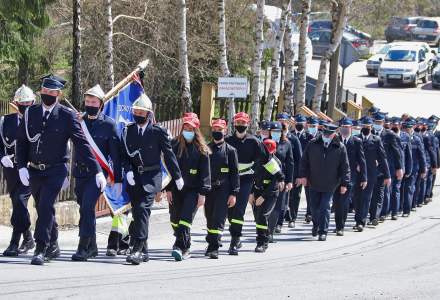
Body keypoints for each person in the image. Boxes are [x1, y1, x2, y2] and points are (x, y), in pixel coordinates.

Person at [16, 74, 105, 266]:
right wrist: (21, 166)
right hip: (34, 170)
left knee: (46, 205)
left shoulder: (67, 115)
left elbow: (81, 144)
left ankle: (41, 248)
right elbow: (22, 142)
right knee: (43, 207)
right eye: (45, 91)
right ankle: (54, 243)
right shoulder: (31, 113)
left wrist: (97, 169)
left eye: (51, 92)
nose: (47, 94)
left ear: (59, 94)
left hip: (56, 170)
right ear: (40, 92)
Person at [121, 94, 183, 265]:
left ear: (148, 114)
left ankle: (137, 248)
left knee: (141, 209)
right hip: (135, 177)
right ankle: (144, 250)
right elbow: (124, 155)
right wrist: (128, 171)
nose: (138, 114)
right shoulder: (129, 131)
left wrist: (177, 176)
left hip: (151, 177)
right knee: (139, 212)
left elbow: (169, 155)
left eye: (142, 111)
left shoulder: (158, 131)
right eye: (136, 111)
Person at [71, 84, 123, 261]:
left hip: (97, 176)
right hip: (79, 173)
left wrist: (115, 177)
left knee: (87, 207)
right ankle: (92, 246)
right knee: (85, 210)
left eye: (93, 101)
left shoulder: (109, 125)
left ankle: (83, 246)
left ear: (100, 104)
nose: (90, 104)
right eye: (87, 101)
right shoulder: (79, 121)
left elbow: (115, 154)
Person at [167, 114, 211, 261]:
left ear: (196, 129)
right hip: (176, 190)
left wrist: (203, 193)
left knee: (185, 219)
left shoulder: (202, 150)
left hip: (193, 190)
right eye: (185, 127)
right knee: (175, 219)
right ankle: (186, 243)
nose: (187, 130)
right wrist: (167, 189)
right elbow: (168, 169)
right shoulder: (173, 145)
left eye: (191, 128)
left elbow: (205, 174)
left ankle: (180, 247)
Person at [297, 124, 350, 241]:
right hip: (314, 182)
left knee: (325, 206)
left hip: (331, 184)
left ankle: (323, 231)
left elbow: (345, 167)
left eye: (329, 134)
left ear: (334, 134)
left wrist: (344, 183)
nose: (326, 135)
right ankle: (316, 224)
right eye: (325, 133)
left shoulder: (340, 147)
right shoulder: (312, 144)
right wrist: (303, 176)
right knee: (314, 207)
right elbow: (304, 161)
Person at [1, 85, 35, 257]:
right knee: (17, 203)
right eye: (22, 103)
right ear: (15, 103)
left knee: (20, 202)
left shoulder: (38, 121)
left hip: (29, 169)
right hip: (11, 170)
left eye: (29, 102)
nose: (26, 105)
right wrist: (2, 157)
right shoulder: (5, 121)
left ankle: (15, 241)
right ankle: (28, 238)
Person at [225, 112, 264, 255]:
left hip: (246, 179)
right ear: (234, 124)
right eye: (238, 123)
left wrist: (254, 173)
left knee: (239, 210)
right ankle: (235, 235)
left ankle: (234, 241)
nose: (240, 125)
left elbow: (262, 160)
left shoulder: (254, 141)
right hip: (229, 180)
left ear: (247, 124)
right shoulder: (227, 140)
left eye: (243, 123)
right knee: (229, 210)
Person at [204, 119, 239, 259]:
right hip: (208, 189)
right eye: (215, 130)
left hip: (223, 189)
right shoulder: (206, 148)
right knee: (209, 217)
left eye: (220, 130)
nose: (217, 132)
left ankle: (214, 247)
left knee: (218, 218)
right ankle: (211, 242)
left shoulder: (231, 151)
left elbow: (235, 173)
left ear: (225, 131)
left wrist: (234, 193)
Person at [353, 116, 390, 232]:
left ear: (371, 127)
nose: (365, 128)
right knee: (357, 198)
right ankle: (357, 219)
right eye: (364, 126)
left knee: (366, 197)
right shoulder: (355, 139)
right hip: (357, 173)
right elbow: (350, 156)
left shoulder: (376, 139)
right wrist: (355, 165)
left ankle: (361, 222)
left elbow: (383, 158)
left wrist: (387, 175)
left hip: (371, 174)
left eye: (368, 126)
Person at [333, 118, 367, 236]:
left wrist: (364, 178)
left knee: (344, 201)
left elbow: (362, 161)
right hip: (335, 177)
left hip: (350, 177)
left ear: (351, 128)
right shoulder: (335, 140)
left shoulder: (356, 141)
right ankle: (338, 224)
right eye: (343, 127)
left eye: (347, 127)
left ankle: (340, 227)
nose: (345, 129)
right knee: (336, 202)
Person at [250, 139, 284, 252]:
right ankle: (266, 234)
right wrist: (250, 193)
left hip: (270, 193)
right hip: (257, 191)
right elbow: (250, 176)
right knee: (257, 217)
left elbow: (274, 183)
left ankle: (262, 242)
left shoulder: (276, 163)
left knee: (262, 216)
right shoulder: (257, 160)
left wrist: (263, 197)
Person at [371, 112, 402, 225]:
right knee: (373, 193)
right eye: (375, 122)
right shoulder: (370, 133)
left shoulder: (390, 135)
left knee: (383, 192)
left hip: (385, 168)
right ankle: (374, 214)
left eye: (379, 122)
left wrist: (399, 168)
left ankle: (381, 214)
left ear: (383, 123)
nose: (377, 124)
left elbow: (397, 153)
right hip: (371, 168)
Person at [267, 121, 293, 240]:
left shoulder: (286, 144)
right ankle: (263, 229)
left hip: (280, 180)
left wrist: (289, 181)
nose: (276, 133)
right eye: (273, 131)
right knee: (265, 207)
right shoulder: (264, 143)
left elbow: (290, 163)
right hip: (266, 179)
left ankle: (270, 232)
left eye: (278, 131)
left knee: (277, 207)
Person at [277, 113, 302, 229]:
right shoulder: (274, 137)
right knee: (282, 198)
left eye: (284, 121)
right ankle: (278, 221)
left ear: (289, 123)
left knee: (293, 197)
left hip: (292, 173)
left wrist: (299, 175)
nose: (282, 123)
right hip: (277, 174)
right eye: (279, 120)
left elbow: (298, 158)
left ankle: (292, 218)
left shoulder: (293, 139)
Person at [401, 118, 426, 217]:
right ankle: (399, 207)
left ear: (413, 128)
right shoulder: (401, 138)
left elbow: (422, 155)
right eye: (405, 128)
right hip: (402, 167)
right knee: (400, 188)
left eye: (409, 127)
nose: (407, 129)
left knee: (409, 188)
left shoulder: (417, 139)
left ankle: (406, 210)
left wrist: (423, 169)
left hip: (413, 168)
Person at [389, 117, 412, 219]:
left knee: (396, 189)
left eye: (397, 125)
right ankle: (386, 211)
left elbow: (409, 155)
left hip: (400, 168)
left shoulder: (405, 137)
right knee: (388, 190)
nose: (395, 126)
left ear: (400, 125)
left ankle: (395, 212)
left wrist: (408, 169)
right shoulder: (386, 135)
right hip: (388, 167)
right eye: (393, 125)